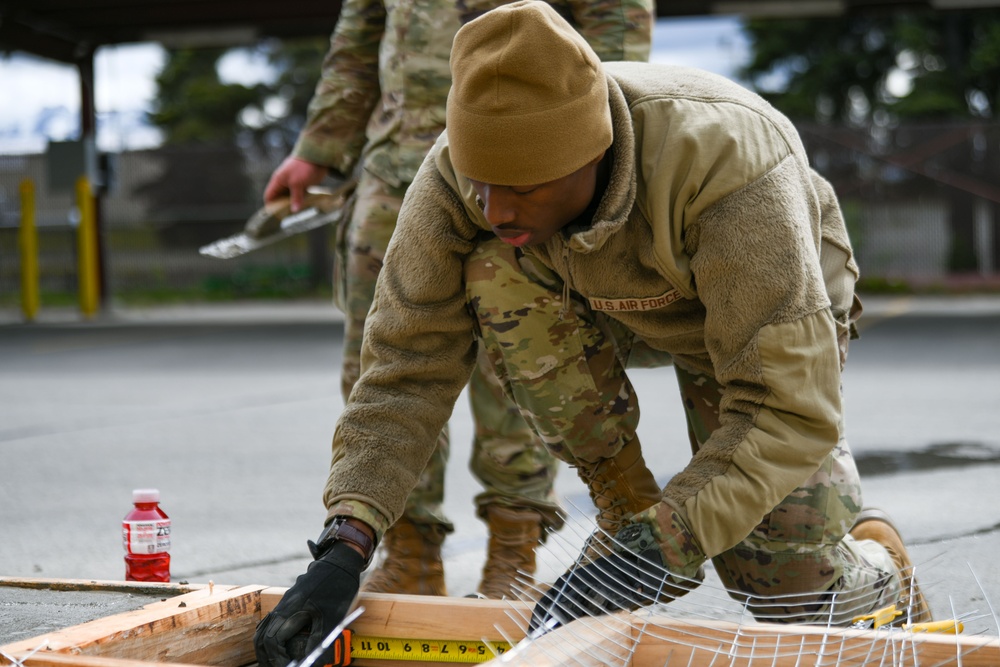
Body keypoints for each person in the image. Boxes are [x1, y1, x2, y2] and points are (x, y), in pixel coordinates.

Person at [254, 1, 934, 663]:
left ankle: (885, 571)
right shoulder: (461, 174)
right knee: (493, 265)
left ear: (591, 150)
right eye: (480, 184)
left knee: (784, 586)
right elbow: (405, 364)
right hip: (591, 291)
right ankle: (623, 505)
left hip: (749, 320)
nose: (495, 207)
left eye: (521, 187)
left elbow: (788, 406)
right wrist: (348, 539)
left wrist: (667, 543)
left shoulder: (729, 163)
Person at [263, 0, 655, 600]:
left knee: (525, 348)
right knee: (386, 348)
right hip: (397, 166)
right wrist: (319, 147)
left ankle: (513, 551)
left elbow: (615, 21)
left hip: (532, 165)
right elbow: (361, 35)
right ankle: (409, 550)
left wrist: (578, 150)